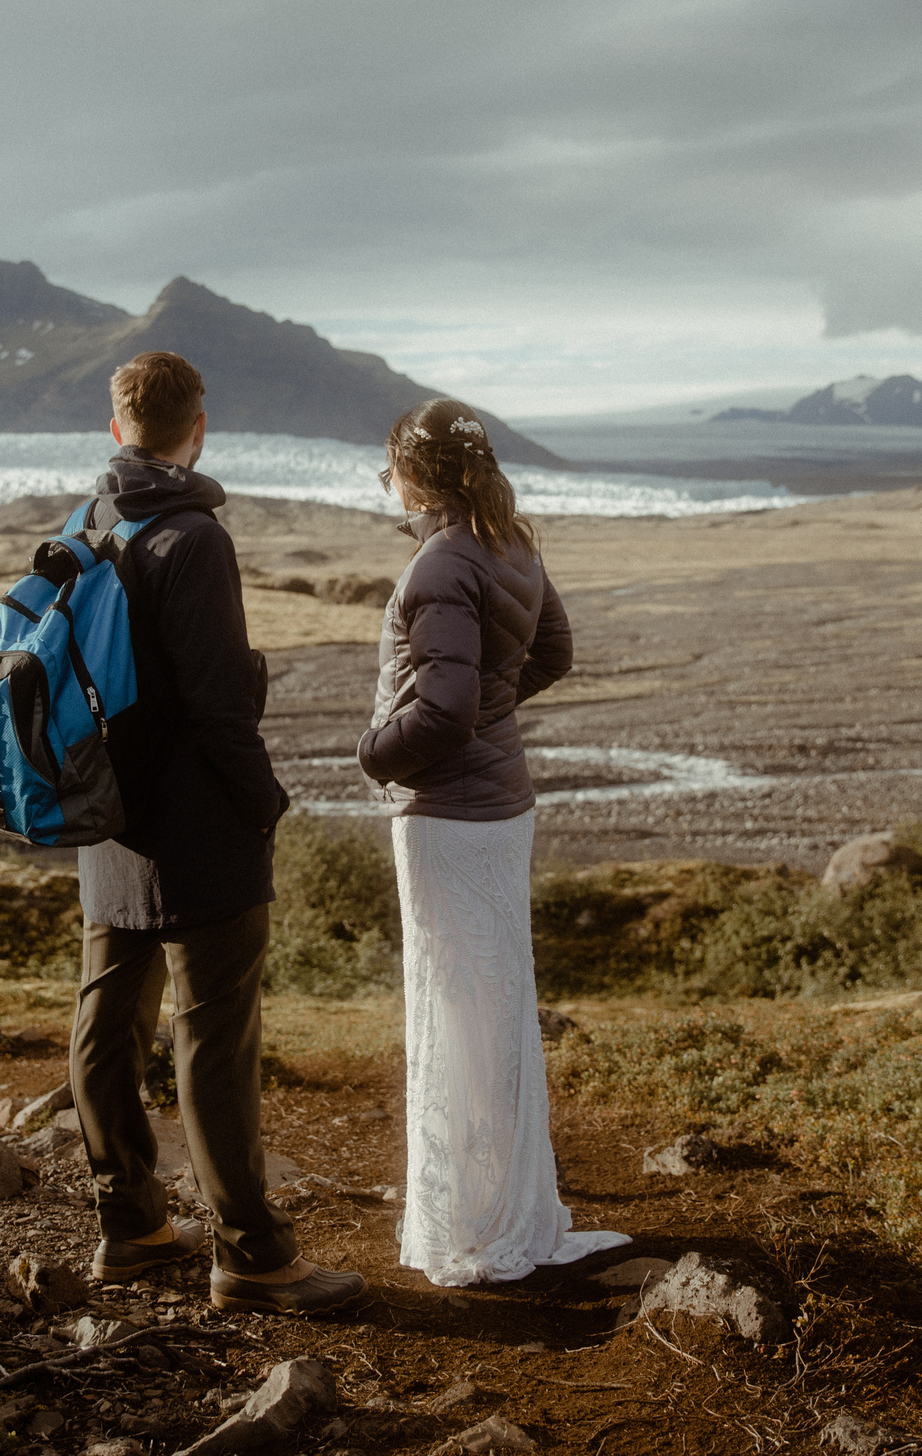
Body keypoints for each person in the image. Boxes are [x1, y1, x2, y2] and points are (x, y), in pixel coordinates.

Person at [67, 349, 366, 1315]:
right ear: (200, 427)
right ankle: (251, 1255)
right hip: (198, 831)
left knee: (107, 1025)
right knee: (213, 1041)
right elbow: (218, 705)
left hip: (112, 826)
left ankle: (132, 1227)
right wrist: (264, 799)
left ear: (117, 428)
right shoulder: (194, 538)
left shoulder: (90, 526)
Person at [360, 398, 633, 1287]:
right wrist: (494, 713)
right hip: (502, 805)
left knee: (453, 1004)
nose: (389, 484)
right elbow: (551, 653)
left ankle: (472, 1224)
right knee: (494, 1004)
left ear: (416, 474)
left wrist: (374, 753)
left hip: (446, 812)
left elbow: (442, 710)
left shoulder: (441, 561)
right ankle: (502, 1205)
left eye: (392, 470)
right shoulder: (510, 542)